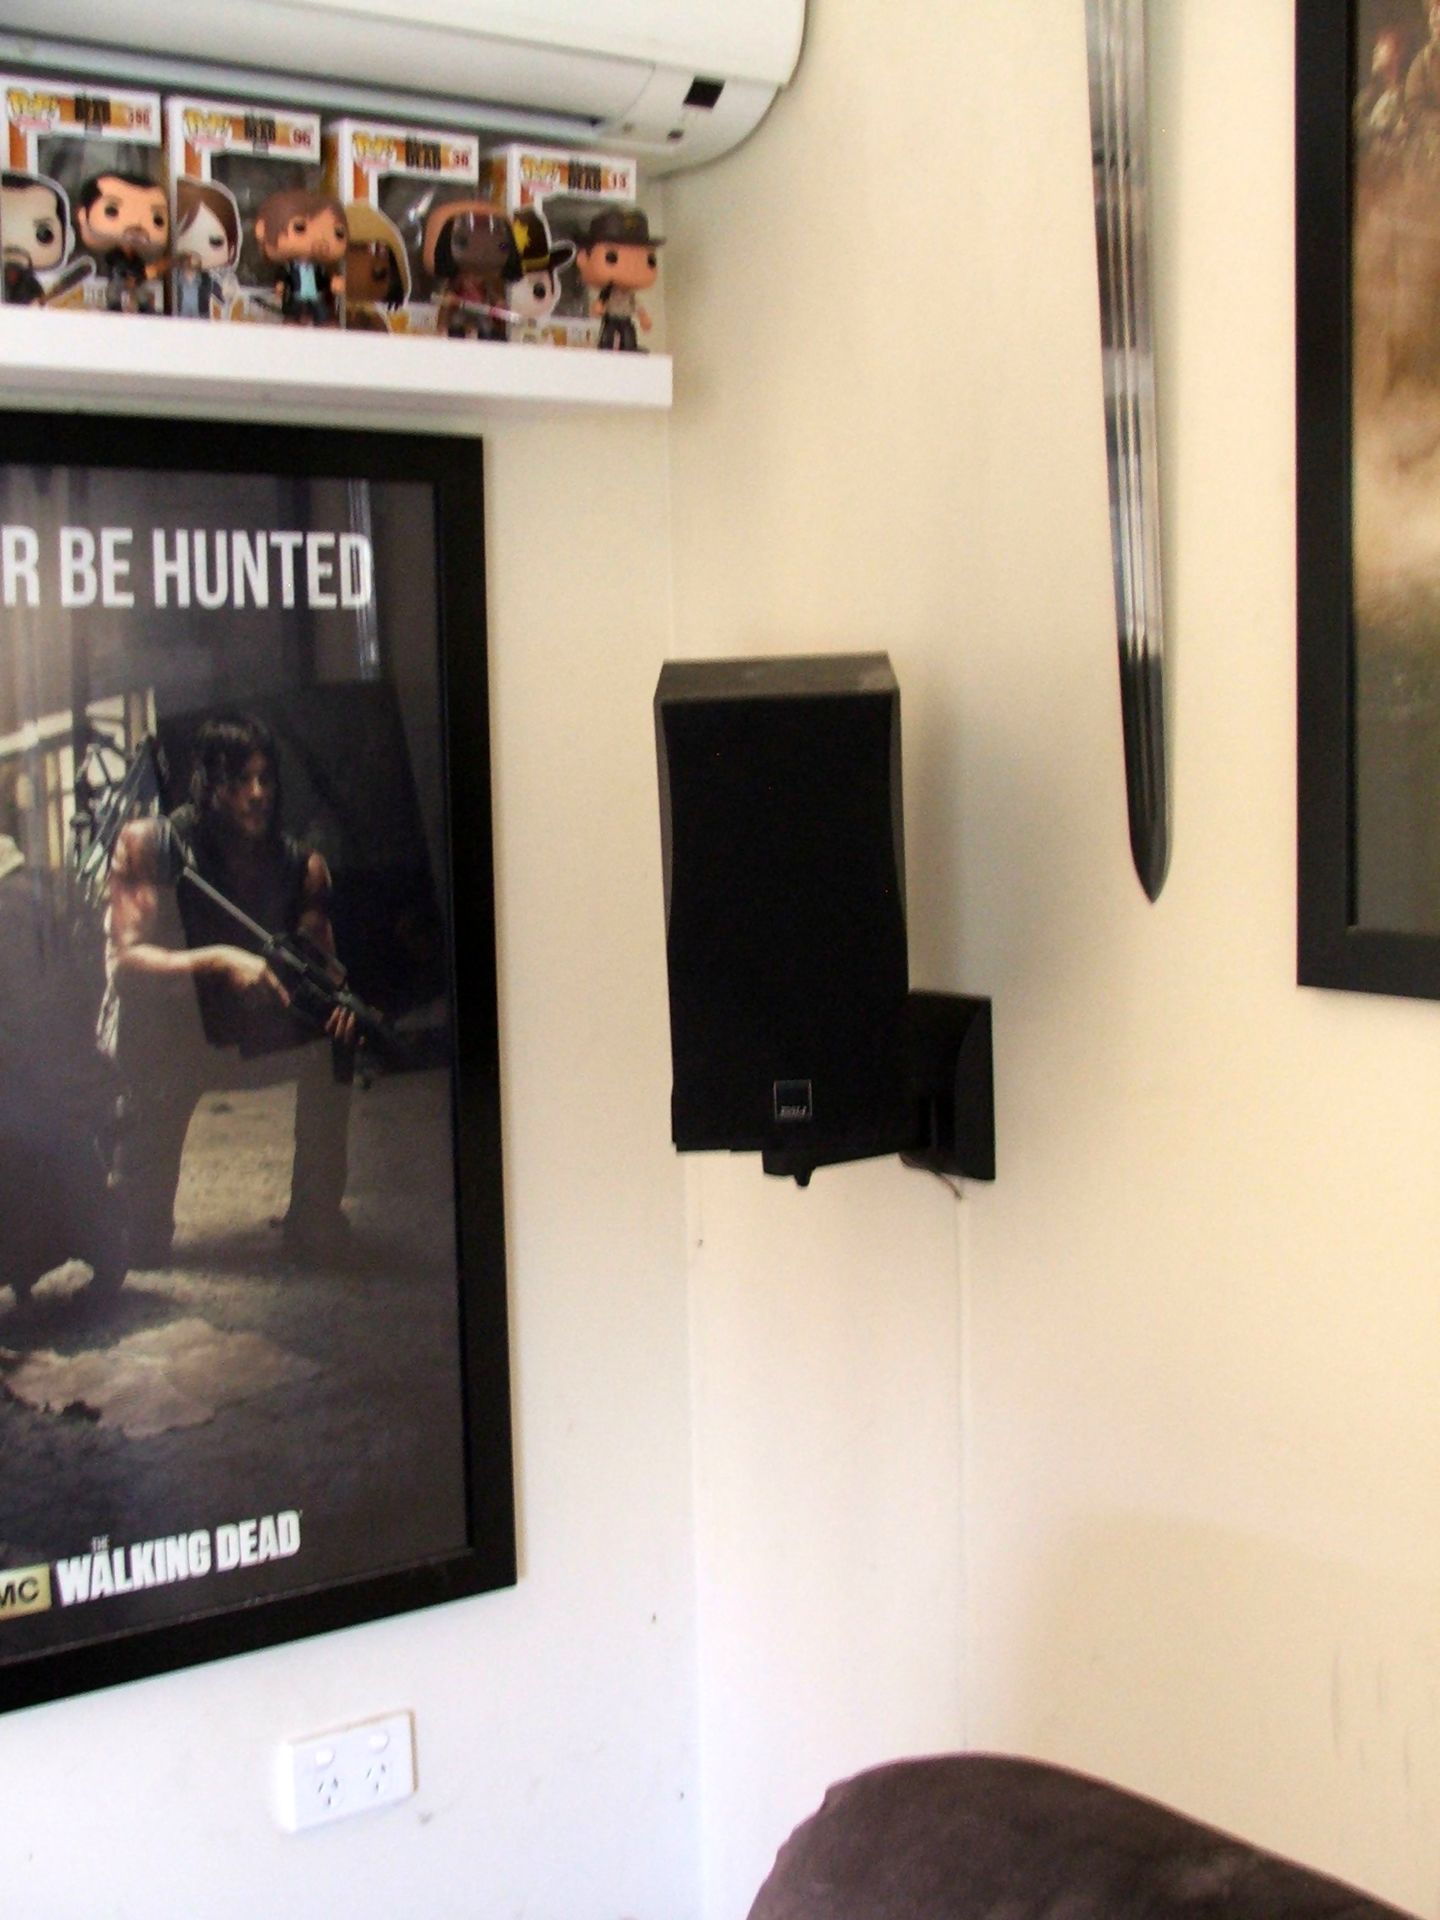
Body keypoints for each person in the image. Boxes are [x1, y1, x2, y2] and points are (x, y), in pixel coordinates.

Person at [104, 715, 358, 1266]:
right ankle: (136, 1210)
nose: (258, 793)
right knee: (137, 1249)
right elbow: (126, 966)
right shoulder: (153, 845)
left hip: (250, 1037)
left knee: (337, 1038)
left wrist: (341, 1007)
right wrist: (219, 962)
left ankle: (315, 1214)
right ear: (208, 783)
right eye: (241, 779)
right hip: (168, 1046)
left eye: (266, 778)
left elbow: (326, 970)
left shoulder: (301, 867)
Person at [0, 771, 123, 1302]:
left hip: (41, 1094)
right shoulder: (37, 889)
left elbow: (25, 1026)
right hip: (64, 1083)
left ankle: (87, 1239)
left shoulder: (11, 906)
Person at [75, 171, 170, 313]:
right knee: (118, 294)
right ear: (83, 216)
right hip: (119, 287)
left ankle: (142, 308)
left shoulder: (136, 258)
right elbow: (117, 269)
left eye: (157, 219)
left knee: (141, 295)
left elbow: (142, 271)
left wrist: (152, 270)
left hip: (134, 288)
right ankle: (117, 306)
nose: (137, 224)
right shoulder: (115, 256)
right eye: (111, 210)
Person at [575, 205, 663, 352]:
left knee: (628, 335)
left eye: (650, 260)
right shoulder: (608, 291)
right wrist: (599, 306)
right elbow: (601, 302)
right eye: (612, 257)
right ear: (583, 258)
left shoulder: (630, 295)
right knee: (607, 336)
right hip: (611, 318)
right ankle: (607, 347)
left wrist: (643, 317)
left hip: (626, 319)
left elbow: (637, 305)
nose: (632, 268)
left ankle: (628, 347)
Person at [254, 188, 347, 326]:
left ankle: (326, 326)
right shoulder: (288, 268)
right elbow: (285, 277)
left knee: (323, 316)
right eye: (299, 227)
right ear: (261, 230)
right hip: (296, 297)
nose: (320, 241)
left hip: (316, 297)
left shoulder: (320, 268)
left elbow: (324, 279)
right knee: (293, 317)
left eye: (338, 233)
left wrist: (333, 283)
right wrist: (281, 285)